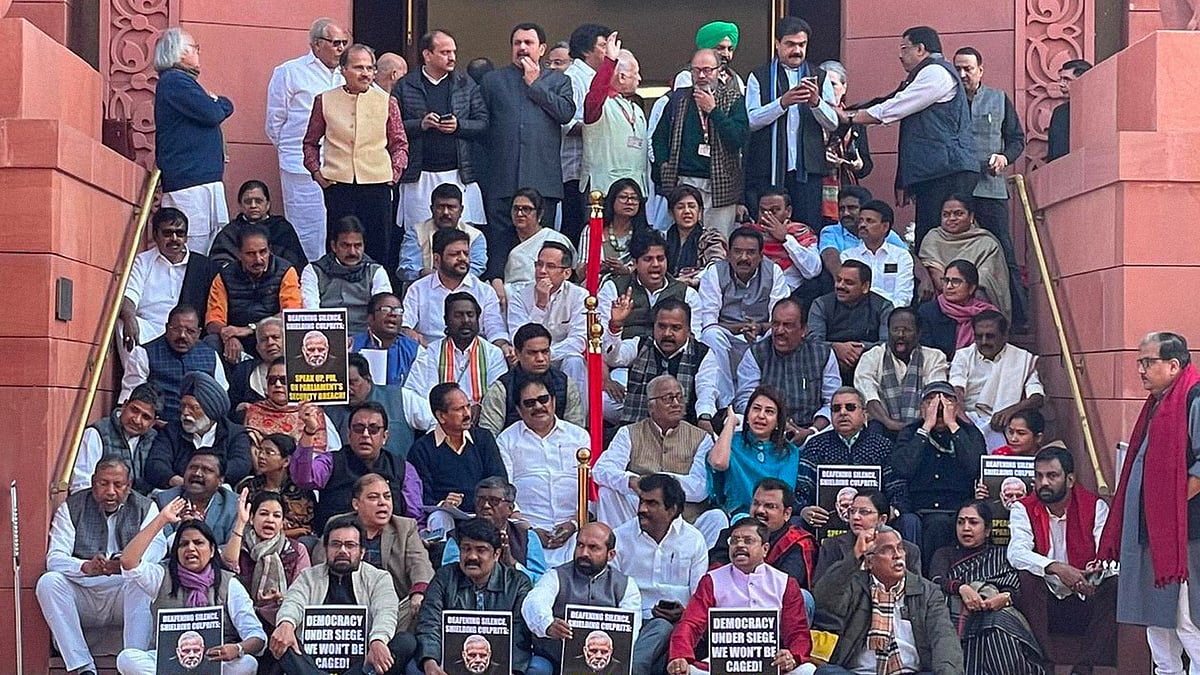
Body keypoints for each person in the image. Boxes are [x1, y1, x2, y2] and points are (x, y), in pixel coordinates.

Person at [1096, 332, 1200, 674]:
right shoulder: (1157, 401)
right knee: (1156, 623)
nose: (1140, 369)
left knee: (1187, 621)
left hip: (1183, 534)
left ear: (1173, 365)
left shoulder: (1193, 397)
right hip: (1150, 532)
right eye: (1139, 362)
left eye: (1147, 362)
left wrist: (1169, 508)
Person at [841, 26, 977, 249]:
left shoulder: (936, 73)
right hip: (938, 170)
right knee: (930, 237)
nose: (900, 55)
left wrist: (850, 118)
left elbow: (896, 107)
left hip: (948, 170)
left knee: (941, 237)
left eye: (905, 49)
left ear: (921, 49)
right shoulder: (922, 76)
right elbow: (888, 101)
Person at [37, 459, 165, 675]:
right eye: (104, 484)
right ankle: (84, 667)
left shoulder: (145, 507)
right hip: (85, 590)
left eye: (118, 484)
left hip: (123, 590)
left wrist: (124, 566)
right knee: (48, 582)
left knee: (142, 582)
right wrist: (85, 567)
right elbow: (55, 558)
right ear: (93, 482)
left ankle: (132, 662)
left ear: (129, 485)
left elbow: (156, 550)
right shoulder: (72, 506)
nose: (111, 492)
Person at [116, 501, 266, 675]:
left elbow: (257, 637)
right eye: (183, 544)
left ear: (211, 551)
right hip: (168, 663)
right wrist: (162, 519)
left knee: (247, 663)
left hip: (215, 663)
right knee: (127, 659)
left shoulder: (228, 583)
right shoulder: (162, 577)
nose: (190, 548)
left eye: (198, 543)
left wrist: (237, 649)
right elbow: (128, 562)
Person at [1008, 444, 1116, 674]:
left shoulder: (1095, 506)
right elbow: (1016, 552)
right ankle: (1044, 662)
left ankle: (1084, 667)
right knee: (1027, 576)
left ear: (1069, 479)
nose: (1044, 483)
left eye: (1052, 476)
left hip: (1085, 597)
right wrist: (1056, 568)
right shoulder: (1022, 508)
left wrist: (1093, 577)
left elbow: (1108, 557)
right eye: (1039, 476)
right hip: (1045, 604)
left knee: (1114, 585)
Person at [480, 22, 575, 283]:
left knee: (544, 254)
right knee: (499, 251)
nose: (522, 48)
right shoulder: (493, 81)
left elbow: (566, 113)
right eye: (517, 43)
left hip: (543, 182)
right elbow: (481, 127)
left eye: (528, 43)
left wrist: (536, 85)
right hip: (502, 181)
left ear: (542, 49)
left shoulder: (558, 81)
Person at [303, 43, 409, 270]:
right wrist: (317, 173)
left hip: (377, 184)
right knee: (339, 245)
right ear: (343, 69)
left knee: (379, 248)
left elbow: (400, 144)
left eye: (370, 68)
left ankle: (379, 298)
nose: (365, 73)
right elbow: (310, 143)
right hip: (338, 185)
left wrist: (393, 174)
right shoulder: (325, 100)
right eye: (358, 67)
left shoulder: (387, 102)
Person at [269, 515, 417, 675]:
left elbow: (386, 612)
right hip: (312, 664)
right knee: (282, 637)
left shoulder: (379, 578)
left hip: (362, 665)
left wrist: (378, 640)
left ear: (362, 551)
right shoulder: (308, 577)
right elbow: (293, 602)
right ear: (325, 549)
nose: (342, 551)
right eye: (336, 545)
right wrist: (286, 623)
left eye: (350, 545)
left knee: (405, 642)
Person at [668, 519, 814, 675]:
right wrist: (680, 656)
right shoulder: (712, 580)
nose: (739, 545)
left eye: (748, 541)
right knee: (686, 671)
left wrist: (792, 657)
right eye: (734, 541)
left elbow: (797, 632)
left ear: (765, 549)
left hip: (771, 664)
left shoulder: (785, 583)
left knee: (807, 670)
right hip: (722, 665)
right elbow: (691, 623)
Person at [812, 524, 963, 674]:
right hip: (861, 672)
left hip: (910, 672)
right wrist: (854, 557)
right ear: (869, 562)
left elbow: (944, 638)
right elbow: (824, 599)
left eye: (900, 548)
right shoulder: (855, 585)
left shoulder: (927, 591)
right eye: (887, 550)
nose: (897, 555)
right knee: (828, 672)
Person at [594, 374, 727, 543]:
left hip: (683, 521)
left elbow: (700, 488)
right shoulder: (629, 433)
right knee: (607, 493)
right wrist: (632, 481)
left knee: (717, 518)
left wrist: (653, 483)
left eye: (679, 397)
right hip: (638, 516)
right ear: (651, 406)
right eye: (668, 398)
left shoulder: (701, 438)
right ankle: (615, 553)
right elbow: (601, 470)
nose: (676, 403)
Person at [953, 46, 1028, 327]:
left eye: (968, 69)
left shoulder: (998, 99)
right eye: (957, 68)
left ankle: (1019, 316)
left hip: (991, 187)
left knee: (1003, 250)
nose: (962, 74)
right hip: (957, 189)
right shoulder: (946, 99)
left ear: (980, 70)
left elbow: (1017, 139)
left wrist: (1005, 157)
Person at [929, 500, 1046, 674]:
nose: (966, 528)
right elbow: (936, 580)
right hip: (957, 616)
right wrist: (962, 588)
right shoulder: (944, 554)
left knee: (996, 622)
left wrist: (1004, 598)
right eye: (961, 522)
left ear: (988, 530)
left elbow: (1015, 588)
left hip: (998, 613)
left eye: (973, 522)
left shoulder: (1002, 555)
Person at [415, 517, 544, 675]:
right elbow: (429, 622)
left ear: (496, 554)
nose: (472, 557)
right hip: (451, 660)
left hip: (503, 664)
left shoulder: (517, 583)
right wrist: (430, 661)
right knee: (415, 667)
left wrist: (513, 670)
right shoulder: (444, 577)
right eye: (466, 549)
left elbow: (520, 635)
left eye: (481, 550)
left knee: (539, 667)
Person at [265, 18, 349, 260]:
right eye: (335, 43)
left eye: (344, 42)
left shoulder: (347, 74)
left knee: (339, 229)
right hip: (300, 167)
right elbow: (275, 123)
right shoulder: (289, 72)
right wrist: (293, 150)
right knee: (306, 232)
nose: (341, 48)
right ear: (316, 45)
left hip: (340, 167)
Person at [744, 17, 838, 227]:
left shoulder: (819, 76)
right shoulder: (758, 76)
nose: (796, 50)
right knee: (767, 230)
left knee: (808, 229)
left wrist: (816, 102)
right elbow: (751, 120)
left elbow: (833, 123)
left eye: (801, 45)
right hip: (768, 170)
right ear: (777, 44)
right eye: (790, 44)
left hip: (808, 172)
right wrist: (782, 103)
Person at [612, 474, 709, 675]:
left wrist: (683, 613)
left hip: (679, 625)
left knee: (664, 629)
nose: (642, 509)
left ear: (672, 509)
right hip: (631, 624)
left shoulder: (694, 540)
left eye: (652, 503)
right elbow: (611, 593)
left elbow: (698, 596)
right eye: (641, 501)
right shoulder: (620, 537)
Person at [395, 29, 489, 232]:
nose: (452, 57)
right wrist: (420, 124)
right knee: (418, 237)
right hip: (418, 176)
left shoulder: (466, 84)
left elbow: (483, 123)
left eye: (453, 52)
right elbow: (391, 127)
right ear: (427, 55)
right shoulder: (405, 86)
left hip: (460, 173)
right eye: (445, 52)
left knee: (462, 236)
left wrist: (459, 126)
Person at [797, 387, 918, 542]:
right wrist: (804, 510)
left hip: (877, 526)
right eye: (836, 409)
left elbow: (898, 492)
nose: (842, 413)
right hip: (826, 526)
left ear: (864, 413)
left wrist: (891, 512)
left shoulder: (882, 446)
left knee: (909, 521)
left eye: (850, 407)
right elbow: (801, 493)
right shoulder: (816, 445)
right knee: (796, 522)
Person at [152, 27, 233, 254]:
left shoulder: (181, 82)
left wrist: (217, 103)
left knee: (214, 247)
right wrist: (220, 102)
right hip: (190, 183)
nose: (198, 53)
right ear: (180, 53)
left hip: (201, 180)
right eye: (194, 48)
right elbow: (213, 112)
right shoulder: (175, 82)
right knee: (193, 248)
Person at [652, 48, 749, 237]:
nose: (702, 76)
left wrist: (713, 111)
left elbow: (738, 138)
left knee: (717, 243)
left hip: (721, 186)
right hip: (683, 181)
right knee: (682, 240)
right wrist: (664, 165)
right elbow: (659, 138)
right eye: (696, 70)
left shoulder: (734, 99)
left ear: (719, 70)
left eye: (707, 70)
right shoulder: (677, 99)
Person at [891, 381, 987, 567]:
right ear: (921, 408)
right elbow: (903, 467)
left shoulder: (969, 433)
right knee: (914, 522)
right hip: (917, 507)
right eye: (931, 402)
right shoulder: (911, 432)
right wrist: (926, 427)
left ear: (956, 407)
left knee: (940, 523)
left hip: (957, 507)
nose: (939, 408)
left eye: (946, 402)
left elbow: (975, 466)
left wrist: (953, 424)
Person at [496, 377, 589, 566]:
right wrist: (530, 530)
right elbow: (505, 494)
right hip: (525, 532)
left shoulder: (578, 436)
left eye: (543, 399)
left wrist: (573, 524)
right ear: (519, 410)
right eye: (529, 403)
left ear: (553, 401)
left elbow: (590, 490)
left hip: (575, 531)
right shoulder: (506, 440)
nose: (538, 406)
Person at [523, 523, 642, 668]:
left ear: (610, 555)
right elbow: (534, 602)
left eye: (593, 547)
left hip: (604, 662)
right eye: (580, 545)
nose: (584, 553)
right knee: (537, 668)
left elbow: (631, 629)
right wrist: (548, 624)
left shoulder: (626, 585)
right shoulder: (556, 576)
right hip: (556, 659)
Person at [603, 296, 728, 429]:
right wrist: (615, 326)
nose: (667, 333)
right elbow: (612, 358)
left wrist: (704, 418)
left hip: (683, 432)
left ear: (688, 329)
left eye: (676, 328)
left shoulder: (702, 354)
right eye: (662, 326)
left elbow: (706, 391)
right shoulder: (640, 344)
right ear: (654, 326)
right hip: (637, 428)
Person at [292, 400, 416, 530]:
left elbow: (415, 516)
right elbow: (303, 479)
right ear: (349, 434)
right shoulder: (331, 461)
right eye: (358, 428)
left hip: (389, 544)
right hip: (336, 543)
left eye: (373, 429)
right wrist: (310, 432)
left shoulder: (403, 469)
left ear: (385, 437)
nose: (365, 435)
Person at [735, 298, 839, 444]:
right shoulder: (756, 353)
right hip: (766, 431)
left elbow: (833, 403)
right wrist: (776, 424)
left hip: (811, 433)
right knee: (737, 423)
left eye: (787, 325)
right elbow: (744, 401)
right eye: (775, 324)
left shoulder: (823, 354)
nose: (779, 331)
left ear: (804, 330)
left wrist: (811, 431)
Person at [698, 225, 791, 378]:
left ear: (761, 255)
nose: (744, 258)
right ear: (728, 254)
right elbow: (709, 323)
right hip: (727, 337)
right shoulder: (715, 272)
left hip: (761, 336)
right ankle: (725, 399)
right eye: (738, 251)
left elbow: (780, 319)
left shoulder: (774, 272)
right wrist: (741, 328)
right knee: (711, 335)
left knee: (776, 333)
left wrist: (759, 328)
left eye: (751, 252)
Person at [408, 382, 508, 523]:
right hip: (448, 515)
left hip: (484, 512)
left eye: (468, 406)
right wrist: (444, 504)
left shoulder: (483, 438)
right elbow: (422, 495)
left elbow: (498, 479)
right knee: (440, 518)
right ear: (441, 416)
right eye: (459, 409)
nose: (467, 414)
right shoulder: (422, 449)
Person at [119, 208, 214, 353]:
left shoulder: (203, 266)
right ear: (156, 235)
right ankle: (138, 374)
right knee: (122, 323)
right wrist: (130, 319)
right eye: (168, 233)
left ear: (186, 237)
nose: (174, 239)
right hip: (149, 329)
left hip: (185, 332)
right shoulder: (143, 261)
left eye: (180, 233)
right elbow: (129, 296)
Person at [205, 224, 303, 363]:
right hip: (239, 340)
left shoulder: (286, 271)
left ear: (270, 249)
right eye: (250, 254)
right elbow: (213, 322)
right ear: (239, 253)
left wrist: (251, 328)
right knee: (212, 341)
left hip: (273, 336)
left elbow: (291, 315)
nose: (258, 259)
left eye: (263, 252)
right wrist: (229, 336)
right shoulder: (224, 276)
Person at [345, 474, 435, 622]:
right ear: (356, 504)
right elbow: (321, 568)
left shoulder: (405, 527)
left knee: (422, 604)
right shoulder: (340, 525)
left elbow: (420, 564)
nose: (383, 503)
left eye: (387, 497)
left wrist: (418, 593)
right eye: (374, 497)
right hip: (348, 611)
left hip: (395, 609)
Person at [401, 228, 510, 350]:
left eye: (466, 253)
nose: (462, 258)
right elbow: (405, 325)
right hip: (429, 356)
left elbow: (495, 331)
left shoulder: (485, 291)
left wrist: (503, 346)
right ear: (437, 260)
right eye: (455, 254)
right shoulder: (418, 289)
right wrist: (409, 333)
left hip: (475, 356)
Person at [951, 310, 1044, 450]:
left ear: (1004, 336)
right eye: (979, 336)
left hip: (1005, 424)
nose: (983, 342)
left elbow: (1037, 397)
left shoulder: (1021, 358)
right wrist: (966, 422)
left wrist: (1011, 411)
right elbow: (956, 389)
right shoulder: (963, 356)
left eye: (990, 336)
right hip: (968, 419)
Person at [220, 489, 311, 630]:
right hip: (241, 620)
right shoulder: (239, 545)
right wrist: (240, 523)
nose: (270, 519)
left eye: (276, 516)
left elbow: (302, 592)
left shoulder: (297, 550)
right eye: (263, 514)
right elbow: (227, 565)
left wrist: (282, 598)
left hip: (282, 620)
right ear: (252, 518)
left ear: (282, 522)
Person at [144, 371, 252, 489]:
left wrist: (209, 480)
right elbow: (155, 464)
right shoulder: (171, 431)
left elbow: (241, 464)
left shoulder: (235, 434)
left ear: (210, 410)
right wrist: (178, 481)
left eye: (193, 408)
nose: (185, 412)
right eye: (183, 406)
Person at [120, 304, 226, 423]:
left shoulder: (211, 355)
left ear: (198, 333)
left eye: (190, 331)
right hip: (158, 430)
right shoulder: (143, 353)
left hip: (199, 428)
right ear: (166, 328)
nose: (182, 335)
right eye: (176, 329)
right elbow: (130, 399)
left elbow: (221, 398)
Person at [709, 478, 819, 590]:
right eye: (756, 504)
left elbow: (787, 587)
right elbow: (715, 574)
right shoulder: (732, 534)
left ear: (787, 513)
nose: (760, 510)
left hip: (775, 600)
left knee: (804, 597)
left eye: (770, 506)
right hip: (730, 596)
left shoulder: (798, 542)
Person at [855, 306, 950, 436]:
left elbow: (933, 396)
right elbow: (869, 396)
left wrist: (915, 428)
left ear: (919, 333)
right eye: (895, 330)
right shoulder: (871, 357)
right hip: (883, 428)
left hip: (924, 428)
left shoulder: (934, 357)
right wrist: (890, 423)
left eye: (907, 330)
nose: (900, 335)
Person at [505, 242, 589, 387]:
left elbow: (579, 340)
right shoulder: (519, 296)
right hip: (529, 359)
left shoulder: (580, 296)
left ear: (567, 273)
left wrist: (546, 355)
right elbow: (518, 338)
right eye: (538, 264)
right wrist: (540, 305)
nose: (542, 271)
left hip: (562, 358)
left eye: (550, 266)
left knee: (574, 361)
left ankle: (575, 410)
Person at [708, 388, 801, 518]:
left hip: (771, 518)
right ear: (747, 415)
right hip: (737, 516)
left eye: (769, 411)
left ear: (777, 421)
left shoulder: (789, 452)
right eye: (756, 409)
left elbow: (784, 493)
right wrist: (731, 422)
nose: (761, 415)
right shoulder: (731, 442)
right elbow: (718, 463)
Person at [919, 194, 1013, 320]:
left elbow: (988, 276)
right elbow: (936, 273)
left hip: (975, 298)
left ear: (971, 217)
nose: (951, 218)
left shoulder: (986, 242)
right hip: (942, 299)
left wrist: (968, 291)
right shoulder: (933, 238)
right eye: (946, 215)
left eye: (958, 213)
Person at [596, 230, 700, 343]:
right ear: (635, 263)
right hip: (624, 353)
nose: (655, 264)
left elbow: (695, 337)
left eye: (660, 259)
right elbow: (602, 335)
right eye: (648, 259)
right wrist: (617, 323)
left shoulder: (686, 293)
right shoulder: (613, 288)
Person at [405, 292, 509, 405]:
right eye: (458, 315)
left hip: (483, 419)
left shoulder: (493, 354)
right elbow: (416, 395)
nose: (465, 320)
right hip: (440, 419)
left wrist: (479, 408)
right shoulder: (430, 353)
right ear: (446, 320)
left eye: (470, 315)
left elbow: (497, 397)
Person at [481, 323, 584, 435]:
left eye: (545, 352)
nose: (540, 359)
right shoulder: (501, 389)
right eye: (532, 353)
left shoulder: (566, 384)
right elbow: (488, 435)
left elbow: (576, 432)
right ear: (517, 353)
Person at [328, 354, 433, 462]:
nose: (346, 389)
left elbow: (434, 421)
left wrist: (421, 456)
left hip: (397, 474)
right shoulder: (328, 410)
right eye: (340, 383)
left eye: (352, 383)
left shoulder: (400, 397)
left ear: (368, 379)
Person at [442, 477, 549, 583]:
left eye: (494, 501)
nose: (486, 506)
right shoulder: (458, 536)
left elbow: (541, 582)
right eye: (481, 500)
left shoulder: (527, 537)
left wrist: (512, 564)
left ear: (510, 508)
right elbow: (449, 578)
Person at [300, 215, 392, 335]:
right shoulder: (314, 271)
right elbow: (311, 311)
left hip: (366, 337)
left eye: (358, 245)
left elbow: (383, 310)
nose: (352, 252)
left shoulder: (375, 271)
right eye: (346, 246)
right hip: (326, 336)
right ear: (334, 246)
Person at [560, 23, 610, 244]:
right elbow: (567, 124)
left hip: (598, 170)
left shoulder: (601, 78)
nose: (607, 51)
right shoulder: (572, 78)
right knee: (577, 230)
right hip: (576, 171)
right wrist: (601, 127)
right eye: (603, 45)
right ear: (586, 50)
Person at [581, 32, 647, 197]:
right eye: (636, 73)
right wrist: (609, 62)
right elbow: (596, 93)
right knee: (599, 225)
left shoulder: (636, 109)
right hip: (603, 192)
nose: (639, 78)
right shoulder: (602, 104)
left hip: (636, 191)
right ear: (622, 77)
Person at [807, 261, 893, 383]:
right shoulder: (821, 304)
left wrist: (862, 348)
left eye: (849, 282)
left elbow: (888, 343)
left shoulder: (883, 306)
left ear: (865, 287)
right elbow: (812, 342)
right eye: (838, 280)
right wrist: (835, 348)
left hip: (871, 367)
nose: (840, 286)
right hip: (827, 365)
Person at [71, 383, 162, 495]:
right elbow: (81, 484)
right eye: (134, 410)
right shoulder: (97, 433)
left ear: (153, 422)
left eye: (146, 417)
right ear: (124, 405)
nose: (137, 420)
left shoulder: (154, 439)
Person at [813, 491, 923, 582]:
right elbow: (819, 589)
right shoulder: (832, 546)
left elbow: (917, 593)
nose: (855, 517)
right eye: (852, 511)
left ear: (882, 519)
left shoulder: (909, 551)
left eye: (864, 512)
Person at [240, 358, 340, 451]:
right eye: (272, 380)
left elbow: (319, 453)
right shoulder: (255, 410)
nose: (277, 385)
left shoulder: (311, 411)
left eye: (284, 380)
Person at [209, 180, 308, 273]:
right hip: (240, 286)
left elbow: (295, 263)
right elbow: (219, 263)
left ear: (268, 204)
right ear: (240, 205)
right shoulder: (230, 232)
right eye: (248, 202)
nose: (253, 205)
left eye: (258, 201)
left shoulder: (282, 228)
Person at [399, 182, 488, 282]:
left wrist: (449, 278)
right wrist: (426, 274)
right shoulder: (416, 233)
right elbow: (406, 269)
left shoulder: (475, 236)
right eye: (440, 207)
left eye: (451, 207)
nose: (445, 212)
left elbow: (477, 267)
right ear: (432, 209)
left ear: (461, 210)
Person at [234, 433, 318, 540]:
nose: (261, 456)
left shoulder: (300, 491)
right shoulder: (249, 486)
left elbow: (305, 529)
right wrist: (291, 532)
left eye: (269, 452)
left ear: (286, 461)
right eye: (260, 451)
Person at [500, 187, 575, 298]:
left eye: (526, 209)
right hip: (512, 296)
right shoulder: (503, 238)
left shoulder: (555, 238)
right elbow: (495, 271)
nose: (520, 214)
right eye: (516, 209)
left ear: (539, 214)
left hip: (552, 294)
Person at [153, 451, 241, 545]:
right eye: (193, 467)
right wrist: (182, 528)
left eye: (207, 470)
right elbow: (161, 547)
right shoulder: (165, 500)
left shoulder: (234, 506)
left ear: (220, 480)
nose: (197, 473)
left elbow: (232, 549)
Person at [917, 259, 997, 359]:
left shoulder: (987, 314)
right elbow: (927, 352)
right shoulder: (928, 312)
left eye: (955, 282)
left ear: (971, 288)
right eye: (946, 281)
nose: (949, 286)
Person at [841, 200, 914, 308]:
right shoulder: (848, 256)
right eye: (861, 220)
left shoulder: (901, 256)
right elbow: (849, 293)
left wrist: (885, 312)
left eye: (869, 221)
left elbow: (904, 297)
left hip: (892, 315)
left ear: (885, 227)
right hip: (858, 314)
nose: (862, 225)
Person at [576, 178, 651, 281]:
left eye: (634, 198)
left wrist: (626, 271)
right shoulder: (592, 230)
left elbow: (651, 270)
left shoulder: (647, 234)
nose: (629, 202)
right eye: (623, 197)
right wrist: (599, 267)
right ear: (612, 200)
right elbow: (580, 272)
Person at [750, 188, 823, 292]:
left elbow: (813, 270)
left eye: (774, 211)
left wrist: (786, 239)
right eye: (763, 211)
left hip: (789, 294)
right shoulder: (750, 233)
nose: (767, 216)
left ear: (788, 212)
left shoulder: (801, 233)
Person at [820, 61, 873, 188]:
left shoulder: (853, 119)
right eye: (823, 85)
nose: (828, 90)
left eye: (833, 84)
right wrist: (819, 157)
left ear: (844, 88)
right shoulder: (808, 117)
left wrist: (859, 165)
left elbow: (867, 166)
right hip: (816, 186)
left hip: (846, 189)